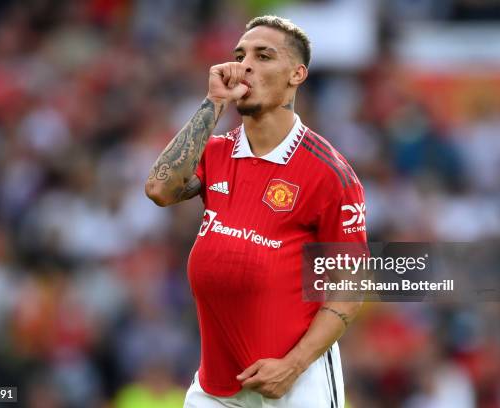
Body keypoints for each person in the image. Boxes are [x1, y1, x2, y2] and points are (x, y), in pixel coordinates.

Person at [146, 15, 367, 408]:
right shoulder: (215, 153)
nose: (245, 65)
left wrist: (293, 365)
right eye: (240, 54)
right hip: (216, 385)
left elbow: (349, 289)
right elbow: (160, 189)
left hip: (293, 384)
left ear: (296, 75)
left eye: (263, 56)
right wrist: (214, 101)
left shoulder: (328, 173)